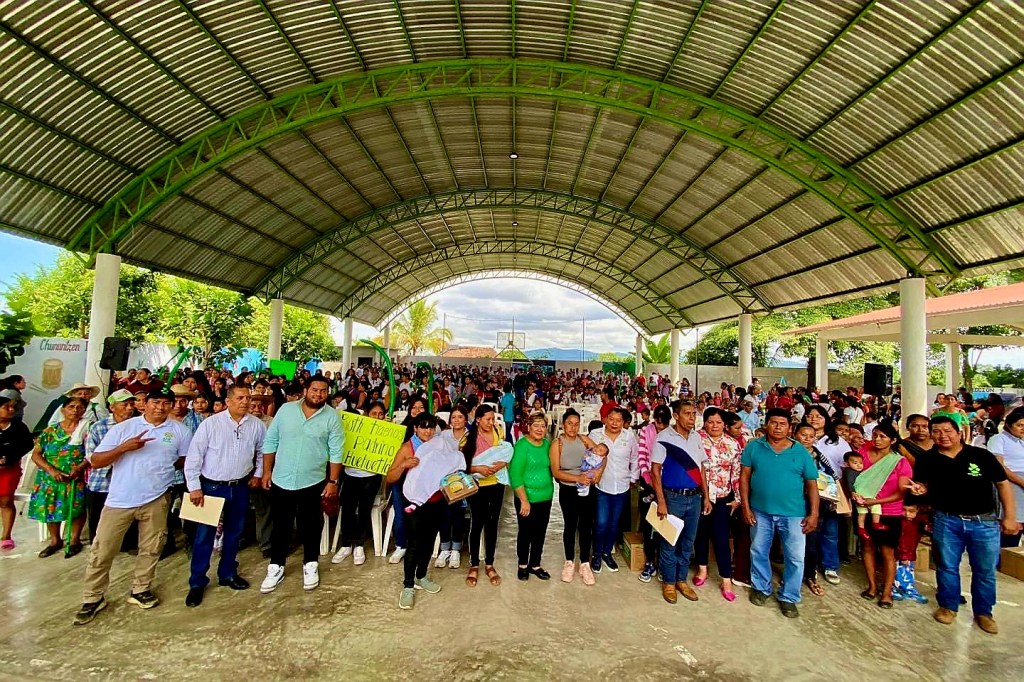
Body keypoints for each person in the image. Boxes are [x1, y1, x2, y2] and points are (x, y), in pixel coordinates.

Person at [74, 388, 193, 625]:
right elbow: (96, 461)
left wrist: (162, 470)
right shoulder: (124, 429)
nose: (160, 407)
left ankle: (141, 588)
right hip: (120, 500)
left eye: (166, 403)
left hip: (157, 498)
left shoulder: (180, 431)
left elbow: (183, 460)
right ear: (144, 404)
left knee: (151, 547)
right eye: (155, 402)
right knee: (103, 550)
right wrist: (123, 448)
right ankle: (93, 597)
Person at [910, 415, 1016, 634]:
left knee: (985, 570)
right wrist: (920, 490)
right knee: (947, 566)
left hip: (984, 522)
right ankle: (948, 606)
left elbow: (1002, 485)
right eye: (937, 431)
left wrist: (1010, 516)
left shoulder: (981, 455)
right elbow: (924, 485)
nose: (943, 436)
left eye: (948, 431)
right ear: (932, 435)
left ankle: (984, 612)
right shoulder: (927, 459)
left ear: (959, 433)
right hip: (947, 520)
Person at [183, 384, 266, 607]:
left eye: (248, 398)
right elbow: (194, 456)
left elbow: (262, 451)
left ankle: (227, 573)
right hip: (211, 488)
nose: (245, 402)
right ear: (228, 401)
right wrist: (194, 487)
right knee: (204, 536)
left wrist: (258, 474)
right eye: (240, 398)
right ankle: (197, 582)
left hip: (239, 486)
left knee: (234, 532)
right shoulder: (211, 424)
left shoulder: (256, 425)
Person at [259, 376, 344, 594]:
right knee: (281, 525)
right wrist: (267, 471)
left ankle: (310, 564)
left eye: (323, 391)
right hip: (281, 478)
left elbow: (336, 452)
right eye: (314, 389)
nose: (318, 394)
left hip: (313, 481)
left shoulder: (332, 417)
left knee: (311, 525)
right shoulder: (286, 410)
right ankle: (276, 566)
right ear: (305, 390)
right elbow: (271, 441)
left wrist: (333, 481)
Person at [740, 408, 819, 618]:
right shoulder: (754, 446)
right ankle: (761, 587)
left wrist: (813, 514)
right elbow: (744, 477)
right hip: (760, 511)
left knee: (795, 557)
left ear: (789, 428)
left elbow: (812, 485)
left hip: (794, 514)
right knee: (758, 550)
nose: (777, 427)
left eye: (782, 424)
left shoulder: (800, 452)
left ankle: (789, 597)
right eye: (774, 423)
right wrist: (745, 506)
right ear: (766, 424)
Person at [386, 412, 447, 610]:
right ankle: (408, 585)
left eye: (431, 427)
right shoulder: (408, 448)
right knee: (414, 543)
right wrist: (404, 464)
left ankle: (421, 576)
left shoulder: (439, 444)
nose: (427, 431)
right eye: (423, 427)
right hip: (414, 502)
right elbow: (390, 477)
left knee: (429, 541)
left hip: (436, 500)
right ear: (415, 428)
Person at [650, 400, 707, 604]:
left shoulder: (696, 437)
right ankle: (668, 582)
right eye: (687, 414)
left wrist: (706, 496)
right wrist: (661, 501)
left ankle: (681, 580)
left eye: (694, 414)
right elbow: (655, 470)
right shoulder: (663, 437)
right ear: (676, 416)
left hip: (695, 497)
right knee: (669, 541)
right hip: (673, 497)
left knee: (688, 542)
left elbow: (701, 468)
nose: (692, 418)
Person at [853, 422, 912, 609]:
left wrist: (875, 502)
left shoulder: (900, 462)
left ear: (892, 440)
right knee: (867, 546)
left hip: (889, 511)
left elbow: (901, 491)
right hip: (863, 509)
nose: (877, 440)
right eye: (875, 435)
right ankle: (872, 586)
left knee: (887, 551)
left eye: (882, 437)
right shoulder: (862, 453)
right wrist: (854, 494)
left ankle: (887, 592)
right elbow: (851, 475)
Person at [29, 397, 88, 558]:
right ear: (63, 410)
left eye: (79, 407)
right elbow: (36, 454)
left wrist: (79, 468)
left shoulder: (87, 429)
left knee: (77, 507)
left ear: (84, 411)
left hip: (75, 476)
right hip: (51, 477)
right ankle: (55, 541)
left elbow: (93, 453)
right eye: (71, 406)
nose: (75, 410)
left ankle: (74, 540)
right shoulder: (50, 431)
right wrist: (52, 470)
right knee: (51, 506)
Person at [692, 407, 741, 601]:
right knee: (700, 534)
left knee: (721, 538)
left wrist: (737, 498)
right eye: (710, 422)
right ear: (704, 422)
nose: (714, 426)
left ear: (724, 424)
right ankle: (702, 569)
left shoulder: (732, 444)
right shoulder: (695, 439)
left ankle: (726, 579)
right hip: (699, 496)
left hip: (722, 498)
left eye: (718, 422)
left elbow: (736, 473)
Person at [549, 407, 602, 585]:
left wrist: (598, 473)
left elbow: (603, 455)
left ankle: (585, 563)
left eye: (576, 424)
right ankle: (569, 561)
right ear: (563, 424)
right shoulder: (557, 444)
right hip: (568, 490)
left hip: (587, 489)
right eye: (570, 423)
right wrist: (576, 478)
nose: (573, 427)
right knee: (570, 525)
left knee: (586, 525)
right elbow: (556, 472)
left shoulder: (584, 440)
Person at [332, 400, 388, 567]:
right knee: (347, 509)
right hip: (350, 474)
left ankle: (359, 545)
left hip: (372, 477)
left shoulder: (387, 433)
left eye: (380, 414)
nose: (377, 417)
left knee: (364, 509)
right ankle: (346, 544)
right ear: (366, 414)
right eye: (374, 414)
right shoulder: (355, 429)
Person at [462, 404, 507, 587]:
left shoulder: (498, 432)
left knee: (492, 523)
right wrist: (478, 469)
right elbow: (461, 465)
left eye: (493, 419)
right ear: (478, 420)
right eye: (487, 419)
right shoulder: (468, 439)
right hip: (477, 485)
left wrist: (500, 465)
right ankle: (474, 564)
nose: (491, 422)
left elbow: (505, 454)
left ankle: (489, 563)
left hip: (496, 484)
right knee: (477, 523)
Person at [83, 390, 136, 544]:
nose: (129, 408)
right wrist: (119, 452)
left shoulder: (138, 425)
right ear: (112, 407)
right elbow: (91, 456)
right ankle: (98, 546)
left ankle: (125, 544)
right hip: (102, 480)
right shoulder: (99, 427)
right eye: (124, 404)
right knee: (98, 519)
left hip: (129, 480)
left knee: (127, 518)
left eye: (131, 404)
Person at [590, 407, 639, 573]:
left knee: (613, 523)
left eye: (618, 420)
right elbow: (588, 455)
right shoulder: (595, 435)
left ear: (623, 422)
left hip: (622, 485)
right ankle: (596, 554)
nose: (614, 423)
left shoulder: (629, 436)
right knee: (601, 522)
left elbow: (634, 458)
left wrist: (633, 478)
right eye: (611, 419)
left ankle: (606, 553)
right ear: (605, 419)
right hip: (602, 486)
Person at [510, 412, 554, 581]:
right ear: (528, 427)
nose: (540, 429)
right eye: (536, 425)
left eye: (543, 426)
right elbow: (515, 476)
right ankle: (523, 564)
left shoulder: (547, 445)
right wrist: (524, 500)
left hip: (546, 496)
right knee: (525, 532)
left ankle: (535, 564)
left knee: (540, 532)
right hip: (526, 497)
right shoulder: (522, 446)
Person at [635, 404, 671, 583]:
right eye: (658, 423)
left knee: (666, 524)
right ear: (654, 420)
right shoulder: (645, 431)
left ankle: (664, 563)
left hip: (668, 483)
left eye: (664, 424)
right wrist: (648, 479)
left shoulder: (673, 434)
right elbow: (642, 457)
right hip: (648, 481)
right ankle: (650, 561)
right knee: (649, 522)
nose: (660, 427)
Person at [435, 403, 469, 569]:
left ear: (466, 419)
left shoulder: (470, 436)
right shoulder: (443, 435)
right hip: (444, 481)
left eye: (460, 417)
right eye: (453, 417)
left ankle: (456, 548)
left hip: (463, 481)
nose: (456, 420)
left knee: (457, 513)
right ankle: (444, 548)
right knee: (444, 515)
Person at [0, 396, 34, 550]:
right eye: (6, 407)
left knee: (6, 501)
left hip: (9, 469)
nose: (11, 409)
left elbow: (27, 445)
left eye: (12, 407)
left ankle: (6, 536)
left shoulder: (18, 427)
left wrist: (9, 457)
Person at [989, 406, 1024, 550]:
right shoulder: (998, 439)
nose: (1022, 429)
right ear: (1009, 425)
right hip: (1011, 482)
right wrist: (1021, 481)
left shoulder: (1021, 441)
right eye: (1019, 425)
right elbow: (999, 466)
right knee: (1013, 524)